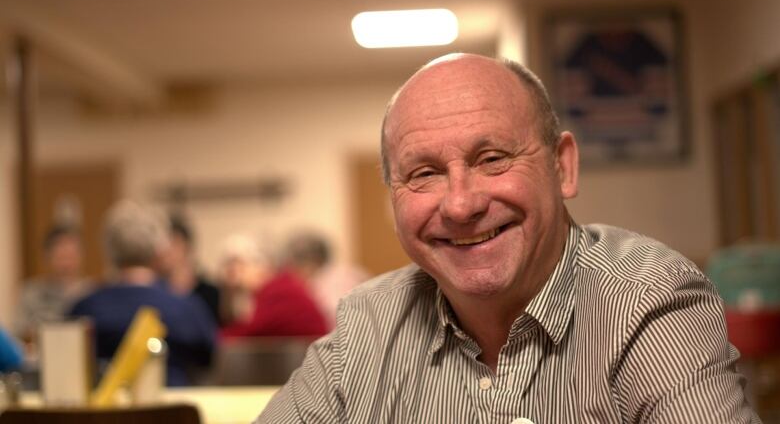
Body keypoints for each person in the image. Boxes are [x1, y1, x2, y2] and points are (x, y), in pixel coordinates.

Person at [258, 54, 760, 422]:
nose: (460, 204)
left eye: (492, 159)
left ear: (562, 167)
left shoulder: (647, 304)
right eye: (424, 173)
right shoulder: (366, 327)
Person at [70, 201, 216, 386]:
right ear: (159, 249)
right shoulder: (187, 309)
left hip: (107, 413)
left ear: (109, 250)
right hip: (173, 413)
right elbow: (208, 361)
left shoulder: (84, 309)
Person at [220, 231, 328, 339]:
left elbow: (254, 330)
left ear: (262, 266)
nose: (235, 275)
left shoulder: (279, 290)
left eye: (242, 267)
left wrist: (214, 338)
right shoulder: (279, 287)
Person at [13, 225, 93, 344]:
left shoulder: (92, 292)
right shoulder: (31, 293)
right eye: (61, 256)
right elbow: (18, 332)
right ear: (47, 257)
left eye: (71, 256)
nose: (67, 264)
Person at [158, 213, 221, 324]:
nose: (167, 250)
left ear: (188, 248)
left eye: (174, 244)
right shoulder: (156, 291)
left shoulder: (210, 293)